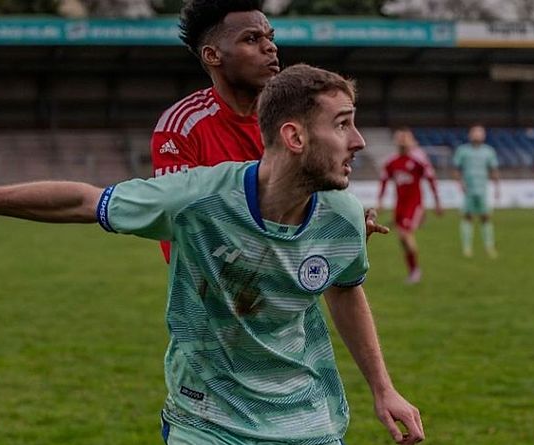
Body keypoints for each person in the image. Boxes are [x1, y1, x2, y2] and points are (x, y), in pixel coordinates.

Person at [0, 64, 424, 445]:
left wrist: (384, 389)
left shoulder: (342, 217)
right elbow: (85, 201)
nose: (358, 142)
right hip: (211, 425)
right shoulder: (195, 197)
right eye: (344, 125)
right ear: (294, 136)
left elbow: (345, 288)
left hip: (308, 428)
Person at [152, 0, 385, 262]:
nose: (270, 47)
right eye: (251, 39)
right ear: (212, 55)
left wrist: (341, 227)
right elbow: (177, 226)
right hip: (214, 296)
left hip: (289, 295)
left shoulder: (293, 121)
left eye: (270, 37)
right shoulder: (181, 127)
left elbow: (311, 207)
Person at [376, 127, 441, 284]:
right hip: (400, 205)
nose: (403, 142)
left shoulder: (419, 160)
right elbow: (384, 182)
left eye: (406, 139)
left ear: (412, 141)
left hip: (415, 204)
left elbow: (431, 180)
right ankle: (413, 270)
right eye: (400, 139)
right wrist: (380, 201)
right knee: (402, 239)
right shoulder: (391, 162)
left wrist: (437, 202)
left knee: (405, 235)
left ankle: (415, 271)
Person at [452, 124, 500, 258]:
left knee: (486, 217)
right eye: (475, 132)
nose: (477, 135)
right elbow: (456, 169)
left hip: (482, 189)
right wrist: (460, 183)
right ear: (470, 135)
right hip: (468, 189)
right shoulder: (462, 151)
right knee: (467, 217)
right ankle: (467, 248)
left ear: (484, 135)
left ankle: (489, 247)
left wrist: (497, 187)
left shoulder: (489, 151)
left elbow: (494, 170)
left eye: (480, 133)